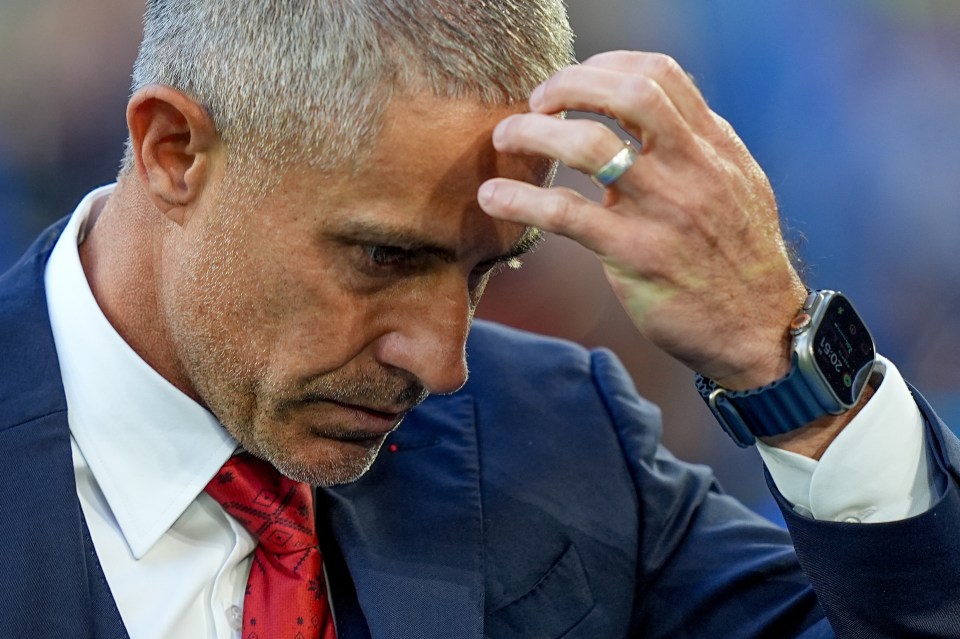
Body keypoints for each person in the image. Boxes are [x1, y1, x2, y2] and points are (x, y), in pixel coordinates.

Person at [1, 1, 958, 637]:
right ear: (174, 151)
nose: (444, 361)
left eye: (485, 270)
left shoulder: (559, 437)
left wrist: (783, 354)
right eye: (384, 257)